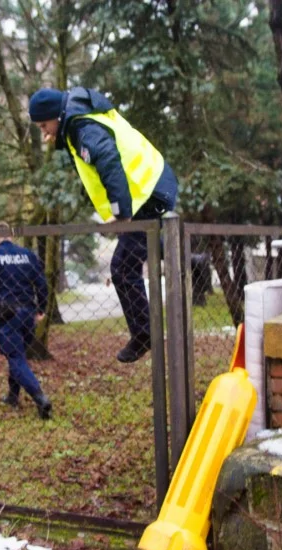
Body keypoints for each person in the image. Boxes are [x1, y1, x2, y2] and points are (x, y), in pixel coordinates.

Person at [28, 86, 178, 363]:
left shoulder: (82, 126)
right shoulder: (79, 120)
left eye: (44, 125)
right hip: (154, 187)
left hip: (148, 193)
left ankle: (144, 334)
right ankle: (191, 259)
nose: (44, 133)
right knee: (147, 253)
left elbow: (109, 161)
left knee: (122, 268)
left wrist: (121, 213)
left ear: (55, 116)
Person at [0, 222, 52, 419]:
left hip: (8, 313)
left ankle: (40, 399)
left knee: (16, 358)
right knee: (18, 354)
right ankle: (13, 396)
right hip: (28, 313)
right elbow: (42, 285)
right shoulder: (28, 255)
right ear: (11, 235)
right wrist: (41, 309)